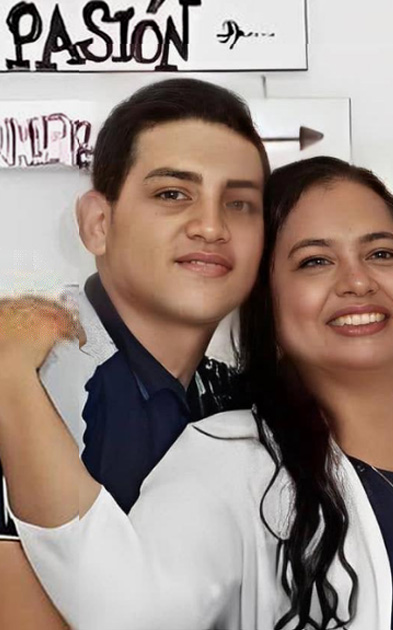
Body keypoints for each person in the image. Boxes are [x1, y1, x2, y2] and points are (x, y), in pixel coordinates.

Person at [0, 157, 393, 629]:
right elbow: (122, 611)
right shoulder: (232, 456)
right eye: (314, 261)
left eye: (381, 253)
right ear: (266, 305)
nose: (358, 281)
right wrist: (11, 378)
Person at [0, 78, 268, 629]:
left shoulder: (239, 398)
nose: (212, 226)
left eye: (239, 203)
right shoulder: (21, 376)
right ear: (98, 223)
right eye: (172, 194)